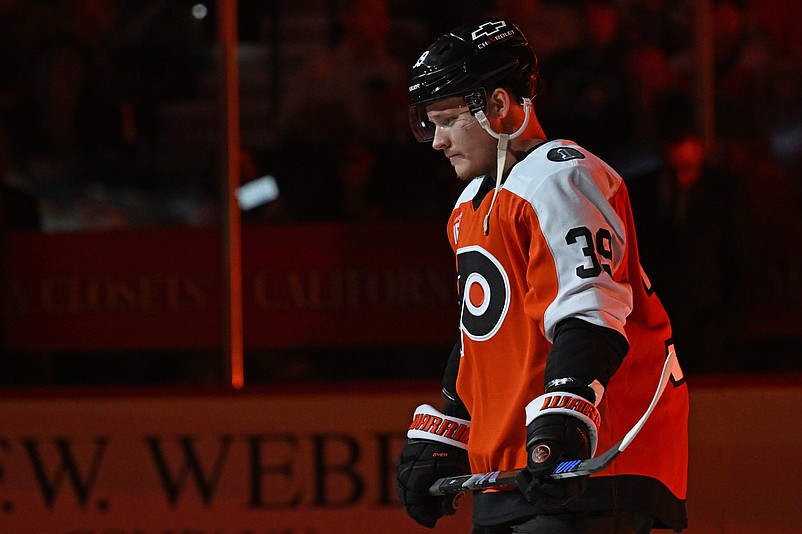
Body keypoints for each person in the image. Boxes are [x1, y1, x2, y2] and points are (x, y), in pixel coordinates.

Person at [395, 19, 688, 533]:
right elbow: (482, 336)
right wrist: (450, 429)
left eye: (448, 120)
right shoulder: (470, 205)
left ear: (498, 105)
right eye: (430, 124)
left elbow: (591, 313)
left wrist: (565, 416)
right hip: (527, 469)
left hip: (595, 464)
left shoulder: (561, 176)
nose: (437, 141)